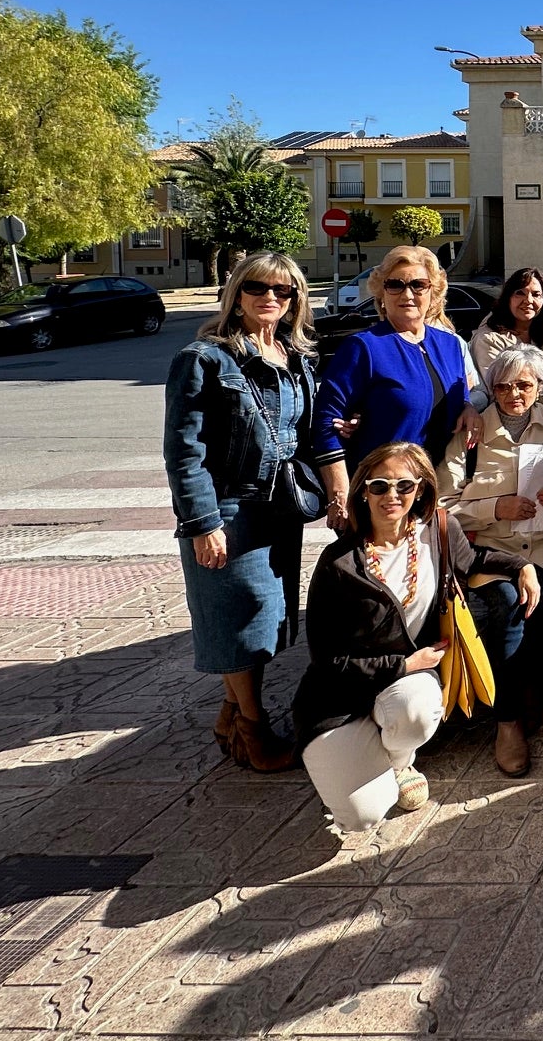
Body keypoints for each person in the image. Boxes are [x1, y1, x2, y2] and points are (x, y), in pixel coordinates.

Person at [295, 442, 539, 829]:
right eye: (379, 486)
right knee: (361, 817)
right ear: (363, 491)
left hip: (404, 688)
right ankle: (368, 745)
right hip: (341, 695)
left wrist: (521, 566)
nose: (392, 496)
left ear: (421, 489)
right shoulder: (338, 563)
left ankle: (398, 759)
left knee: (417, 709)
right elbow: (326, 660)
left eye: (404, 486)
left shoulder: (437, 533)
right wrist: (404, 664)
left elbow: (473, 561)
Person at [163, 251, 321, 772]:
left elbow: (294, 431)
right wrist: (203, 523)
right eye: (258, 288)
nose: (270, 298)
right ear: (237, 293)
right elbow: (184, 451)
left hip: (279, 506)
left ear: (296, 299)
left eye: (283, 291)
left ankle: (231, 716)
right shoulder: (205, 358)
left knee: (271, 618)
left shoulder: (294, 356)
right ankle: (254, 728)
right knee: (240, 616)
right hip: (229, 505)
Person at [439, 344, 543, 774]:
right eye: (505, 385)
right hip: (489, 551)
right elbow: (442, 503)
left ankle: (530, 688)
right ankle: (508, 721)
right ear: (491, 389)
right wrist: (496, 507)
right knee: (511, 605)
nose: (514, 393)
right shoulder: (470, 434)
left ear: (539, 388)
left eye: (524, 385)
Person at [316, 245, 480, 525]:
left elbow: (460, 396)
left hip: (437, 496)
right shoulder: (363, 347)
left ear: (433, 292)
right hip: (381, 497)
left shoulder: (450, 345)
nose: (407, 294)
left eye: (418, 285)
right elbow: (324, 424)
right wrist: (340, 494)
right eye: (395, 285)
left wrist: (469, 407)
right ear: (381, 293)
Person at [469, 267, 543, 380]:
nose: (528, 300)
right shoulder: (488, 340)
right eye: (520, 293)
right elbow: (499, 388)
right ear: (507, 298)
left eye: (536, 294)